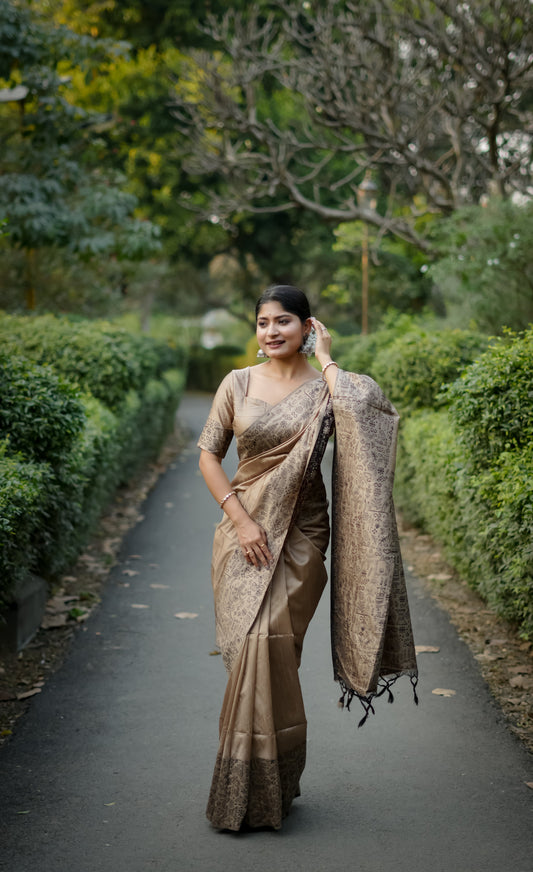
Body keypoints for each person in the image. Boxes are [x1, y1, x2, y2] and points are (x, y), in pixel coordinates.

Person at [197, 284, 417, 832]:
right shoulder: (237, 383)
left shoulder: (325, 389)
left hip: (301, 533)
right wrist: (242, 520)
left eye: (284, 321)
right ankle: (257, 784)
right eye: (263, 322)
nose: (271, 331)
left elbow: (367, 412)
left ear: (307, 326)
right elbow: (208, 456)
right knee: (249, 650)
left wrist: (327, 359)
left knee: (272, 644)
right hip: (242, 533)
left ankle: (266, 786)